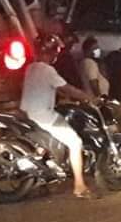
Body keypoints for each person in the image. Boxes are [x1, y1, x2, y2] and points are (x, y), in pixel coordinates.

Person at [19, 33, 96, 199]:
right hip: (43, 115)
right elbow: (67, 88)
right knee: (75, 142)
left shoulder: (31, 68)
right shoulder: (48, 70)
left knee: (44, 145)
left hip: (28, 114)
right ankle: (80, 186)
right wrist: (88, 97)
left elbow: (51, 88)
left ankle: (43, 179)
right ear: (51, 52)